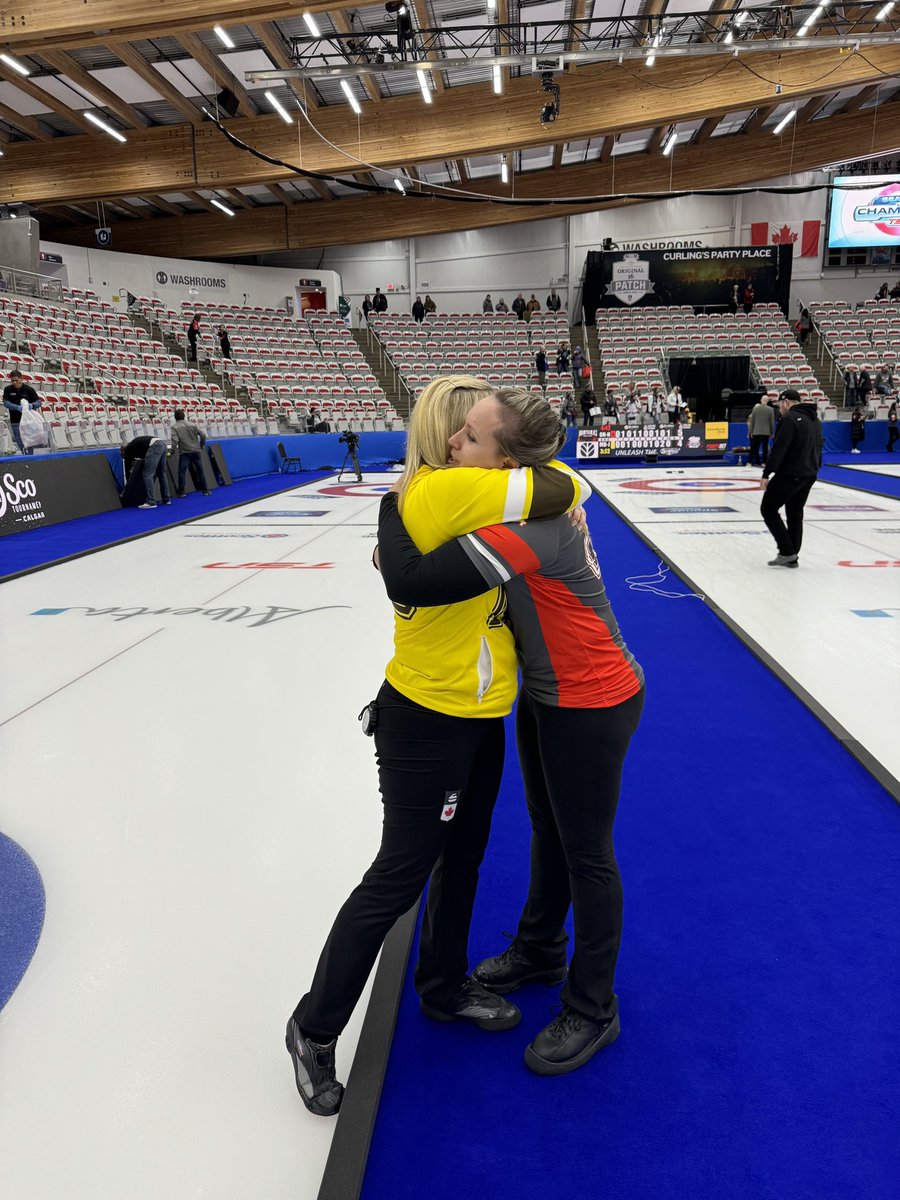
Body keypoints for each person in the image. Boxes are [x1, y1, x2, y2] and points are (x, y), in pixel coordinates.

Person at [285, 376, 590, 1117]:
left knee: (464, 857)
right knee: (401, 873)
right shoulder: (450, 489)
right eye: (472, 429)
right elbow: (568, 486)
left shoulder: (444, 497)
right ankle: (314, 1026)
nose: (471, 444)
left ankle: (445, 985)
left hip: (475, 711)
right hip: (429, 719)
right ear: (451, 437)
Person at [376, 387, 645, 1077]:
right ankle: (540, 949)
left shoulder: (530, 526)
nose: (455, 445)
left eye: (471, 437)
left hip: (590, 697)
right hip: (550, 692)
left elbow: (418, 575)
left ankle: (593, 1007)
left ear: (508, 460)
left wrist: (392, 532)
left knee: (587, 851)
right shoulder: (522, 502)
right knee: (549, 829)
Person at [760, 388, 823, 568]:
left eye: (780, 405)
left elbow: (779, 449)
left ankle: (787, 551)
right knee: (795, 512)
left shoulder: (789, 419)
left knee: (768, 509)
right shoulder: (815, 420)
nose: (779, 409)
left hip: (791, 473)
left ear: (786, 402)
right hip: (809, 473)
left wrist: (767, 474)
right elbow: (819, 447)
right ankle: (792, 554)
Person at [121, 434, 171, 509]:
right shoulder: (136, 446)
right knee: (161, 474)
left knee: (148, 475)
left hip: (155, 446)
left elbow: (127, 468)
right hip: (163, 445)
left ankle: (151, 502)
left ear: (123, 451)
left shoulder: (128, 450)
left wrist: (128, 485)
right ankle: (166, 499)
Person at [170, 407, 209, 497]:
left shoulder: (174, 427)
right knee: (200, 471)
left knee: (182, 472)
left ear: (175, 418)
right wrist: (201, 445)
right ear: (184, 416)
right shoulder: (192, 424)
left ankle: (182, 492)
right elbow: (203, 435)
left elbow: (175, 440)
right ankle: (205, 490)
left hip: (185, 452)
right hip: (196, 451)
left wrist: (172, 450)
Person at [2, 369, 42, 455]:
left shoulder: (29, 390)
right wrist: (17, 407)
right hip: (15, 421)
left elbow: (39, 402)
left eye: (17, 380)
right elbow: (6, 403)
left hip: (28, 421)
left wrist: (32, 405)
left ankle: (29, 457)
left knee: (29, 440)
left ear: (21, 379)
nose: (15, 382)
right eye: (12, 381)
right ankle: (25, 455)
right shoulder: (8, 389)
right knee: (19, 440)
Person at [747, 395, 775, 468]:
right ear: (767, 401)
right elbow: (772, 422)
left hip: (756, 431)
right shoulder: (770, 409)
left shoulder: (755, 409)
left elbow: (752, 421)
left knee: (753, 447)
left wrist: (751, 431)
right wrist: (772, 432)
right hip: (766, 432)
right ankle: (764, 463)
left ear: (760, 400)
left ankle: (749, 462)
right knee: (765, 448)